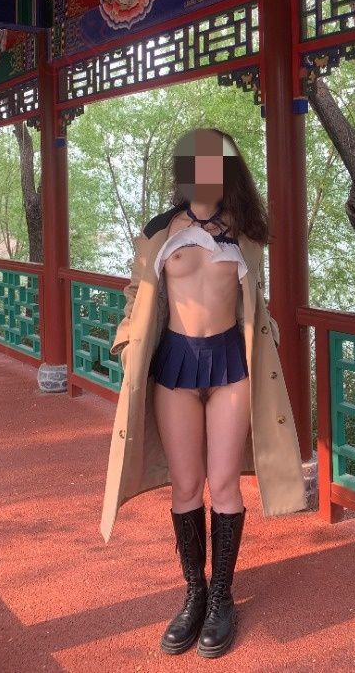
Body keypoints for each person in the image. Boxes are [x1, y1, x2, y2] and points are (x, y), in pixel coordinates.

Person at [106, 126, 302, 659]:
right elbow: (136, 295)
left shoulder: (248, 232)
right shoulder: (158, 231)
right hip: (174, 362)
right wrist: (125, 343)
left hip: (231, 365)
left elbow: (256, 299)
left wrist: (269, 338)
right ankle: (194, 594)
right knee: (187, 485)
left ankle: (222, 597)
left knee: (225, 484)